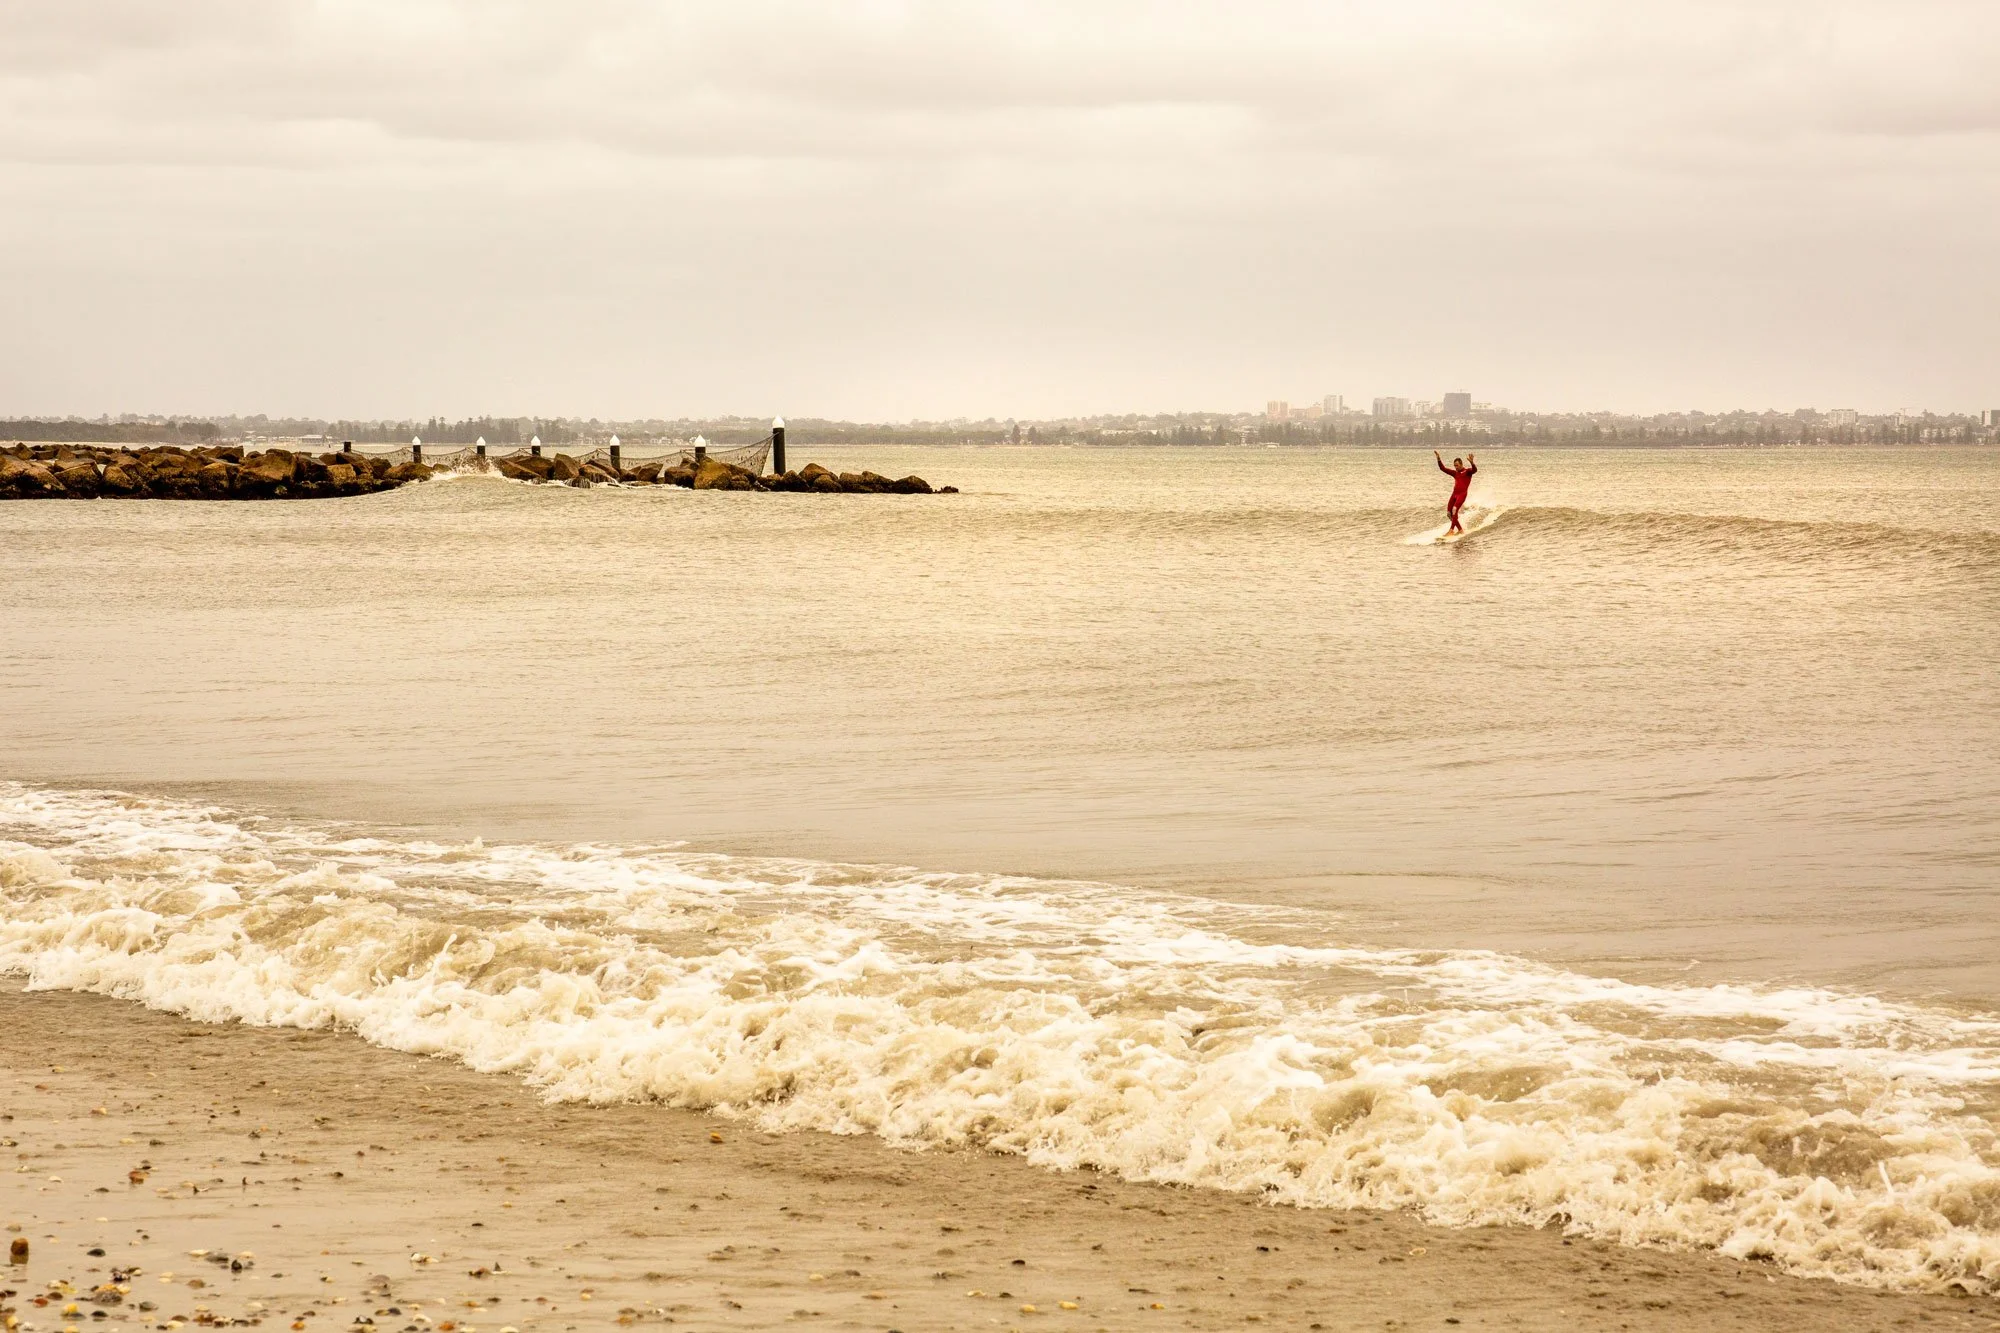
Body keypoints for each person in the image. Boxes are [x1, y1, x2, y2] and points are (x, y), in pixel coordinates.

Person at [1436, 450, 1477, 534]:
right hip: (1454, 494)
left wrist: (1472, 463)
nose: (1456, 467)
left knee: (1454, 509)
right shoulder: (1455, 473)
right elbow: (1443, 468)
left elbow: (1474, 470)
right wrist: (1439, 459)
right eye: (1454, 465)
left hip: (1462, 494)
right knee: (1449, 513)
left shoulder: (1467, 472)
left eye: (1457, 465)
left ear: (1461, 464)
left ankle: (1451, 530)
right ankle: (1460, 530)